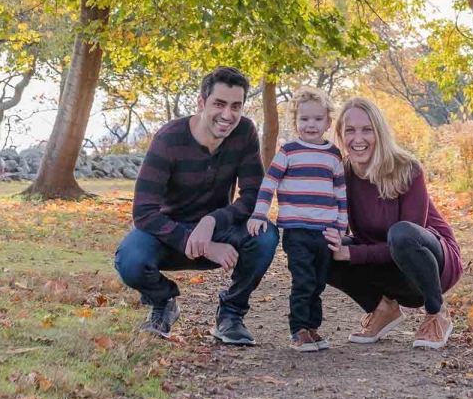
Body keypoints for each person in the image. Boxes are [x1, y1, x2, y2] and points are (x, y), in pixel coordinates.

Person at [114, 66, 278, 345]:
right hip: (168, 235)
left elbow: (254, 196)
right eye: (219, 104)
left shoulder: (245, 132)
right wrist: (199, 241)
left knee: (265, 235)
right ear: (201, 103)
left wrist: (212, 221)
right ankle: (163, 302)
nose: (228, 115)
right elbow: (143, 212)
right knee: (129, 261)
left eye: (236, 106)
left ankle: (230, 316)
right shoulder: (169, 139)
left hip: (218, 229)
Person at [323, 96, 462, 350]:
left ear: (379, 132)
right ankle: (382, 308)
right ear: (341, 135)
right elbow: (334, 227)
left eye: (367, 130)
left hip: (430, 262)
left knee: (401, 234)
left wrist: (352, 252)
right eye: (350, 130)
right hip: (383, 263)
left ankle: (436, 313)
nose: (358, 139)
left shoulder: (407, 169)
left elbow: (407, 238)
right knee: (318, 245)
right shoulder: (340, 174)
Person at [248, 87, 347, 352]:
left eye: (317, 119)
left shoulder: (333, 155)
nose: (310, 124)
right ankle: (298, 330)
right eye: (304, 119)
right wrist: (260, 213)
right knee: (302, 280)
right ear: (296, 122)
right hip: (297, 230)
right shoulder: (288, 151)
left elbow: (340, 194)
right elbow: (269, 184)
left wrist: (340, 228)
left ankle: (313, 327)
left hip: (325, 232)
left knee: (318, 281)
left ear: (327, 122)